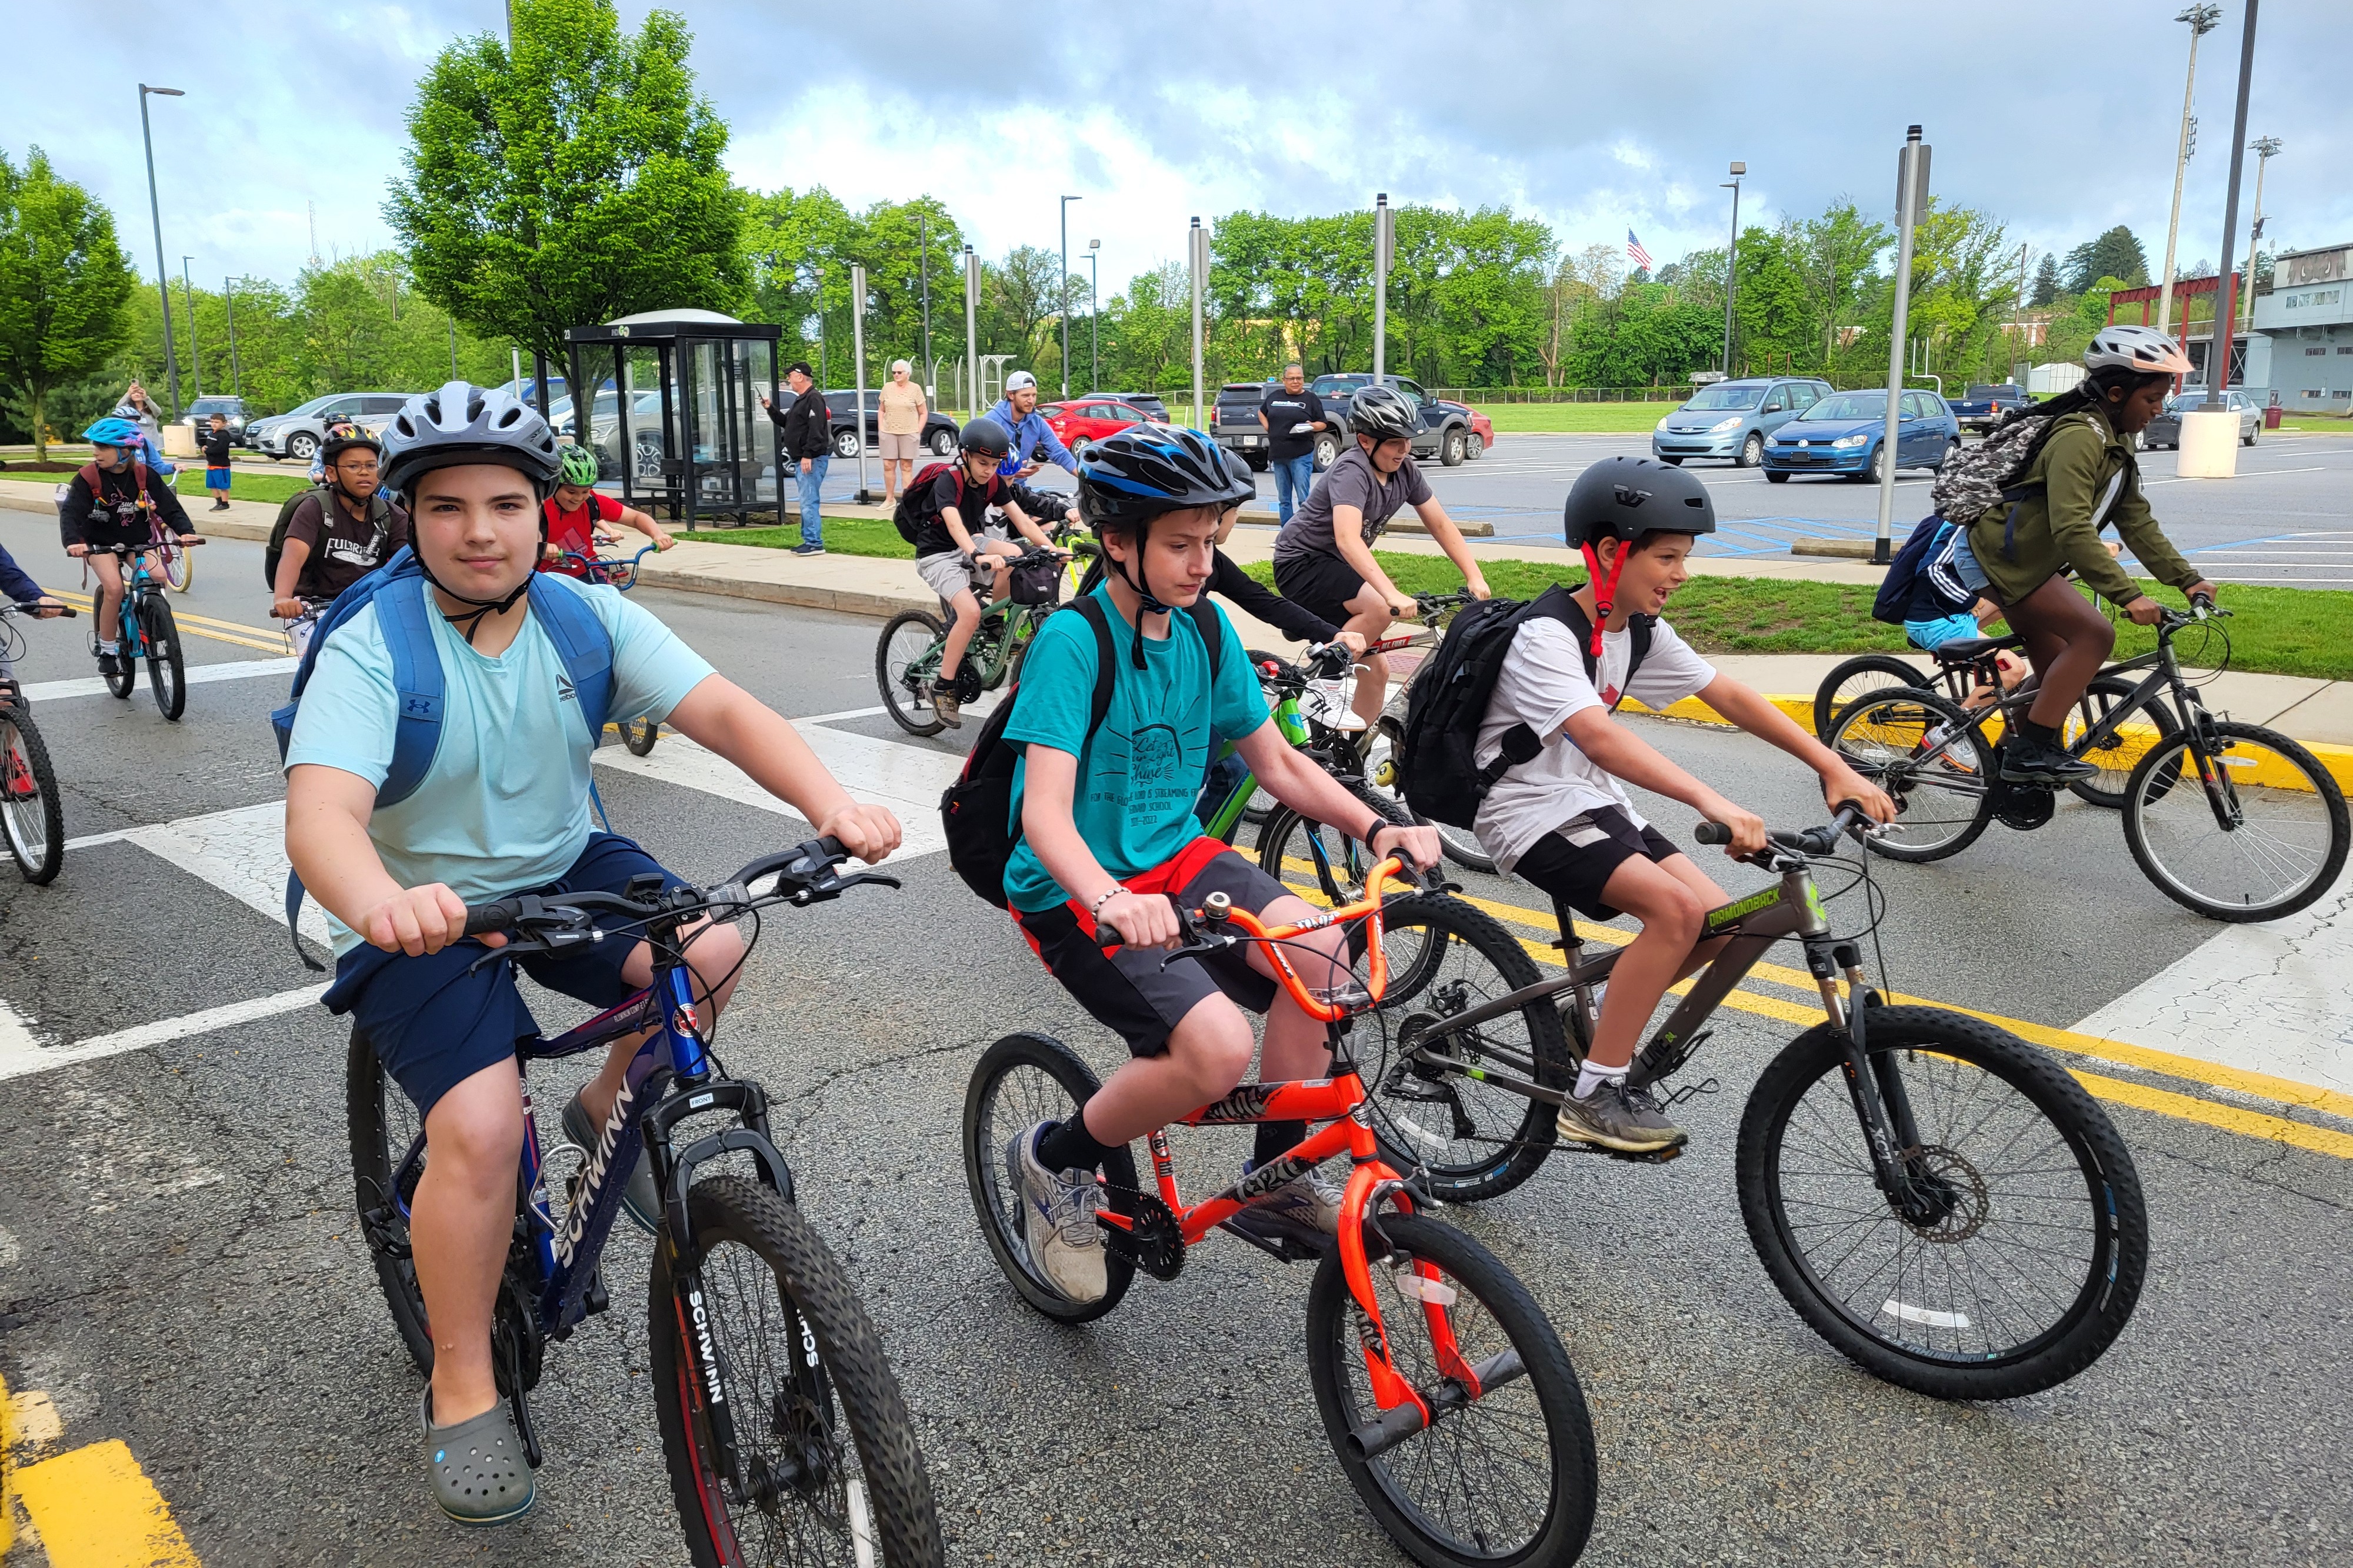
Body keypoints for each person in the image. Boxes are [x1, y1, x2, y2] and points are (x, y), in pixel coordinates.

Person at [282, 381, 903, 1526]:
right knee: (477, 1129)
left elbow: (725, 711)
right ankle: (462, 1378)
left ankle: (606, 1105)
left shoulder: (582, 616)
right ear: (411, 516)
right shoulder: (372, 646)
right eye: (449, 506)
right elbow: (321, 816)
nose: (480, 530)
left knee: (712, 944)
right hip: (416, 903)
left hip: (561, 862)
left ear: (542, 510)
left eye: (506, 504)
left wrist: (832, 804)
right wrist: (381, 901)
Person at [996, 423, 1442, 1302]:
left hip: (1176, 854)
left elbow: (1277, 763)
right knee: (1215, 1051)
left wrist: (1378, 825)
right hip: (1073, 883)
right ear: (1116, 541)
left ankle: (1276, 1179)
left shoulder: (1203, 629)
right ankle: (1054, 1158)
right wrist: (1109, 898)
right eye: (1180, 544)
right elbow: (1044, 814)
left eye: (1211, 540)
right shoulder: (1073, 643)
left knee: (1324, 955)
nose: (1203, 563)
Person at [1472, 456, 1894, 1155]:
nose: (1681, 573)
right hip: (1524, 807)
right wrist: (1709, 798)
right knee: (1675, 911)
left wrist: (1832, 765)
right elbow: (1598, 737)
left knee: (1722, 922)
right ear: (1611, 551)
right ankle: (1595, 1094)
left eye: (1684, 557)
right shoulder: (1546, 635)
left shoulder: (1635, 628)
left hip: (1587, 800)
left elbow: (1728, 694)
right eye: (1667, 557)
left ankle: (1597, 1021)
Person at [1957, 325, 2217, 783]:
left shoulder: (2116, 439)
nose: (2159, 409)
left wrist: (2187, 578)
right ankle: (2030, 752)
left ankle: (2004, 769)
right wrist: (2128, 596)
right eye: (2152, 399)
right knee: (2095, 635)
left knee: (2058, 666)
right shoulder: (2080, 438)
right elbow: (2073, 527)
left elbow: (2135, 519)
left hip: (2030, 558)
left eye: (2162, 399)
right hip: (2000, 557)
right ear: (2116, 394)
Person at [1271, 383, 1491, 732]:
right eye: (1394, 442)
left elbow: (1440, 524)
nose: (1404, 450)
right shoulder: (1351, 471)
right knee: (1378, 608)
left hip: (1338, 570)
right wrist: (1391, 595)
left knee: (1378, 670)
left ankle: (1346, 749)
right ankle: (1324, 686)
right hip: (1301, 563)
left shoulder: (1406, 471)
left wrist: (1474, 575)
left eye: (1408, 441)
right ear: (1365, 440)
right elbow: (1347, 540)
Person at [906, 419, 1066, 729]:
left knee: (1016, 555)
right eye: (983, 463)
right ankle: (943, 686)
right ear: (965, 455)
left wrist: (1051, 549)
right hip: (938, 554)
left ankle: (995, 624)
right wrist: (976, 554)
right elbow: (954, 524)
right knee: (969, 612)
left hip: (971, 543)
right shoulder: (948, 481)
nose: (989, 471)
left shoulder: (993, 483)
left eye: (994, 465)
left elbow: (1022, 521)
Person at [59, 416, 204, 676]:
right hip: (100, 544)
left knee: (158, 576)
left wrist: (186, 532)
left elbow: (169, 506)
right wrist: (73, 543)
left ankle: (156, 621)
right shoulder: (88, 477)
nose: (96, 452)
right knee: (114, 588)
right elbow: (71, 513)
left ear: (125, 451)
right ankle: (107, 649)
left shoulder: (143, 474)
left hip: (137, 540)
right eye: (96, 446)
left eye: (103, 447)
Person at [271, 427, 410, 653]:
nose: (364, 472)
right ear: (332, 473)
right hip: (313, 608)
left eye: (371, 466)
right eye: (353, 466)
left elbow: (408, 566)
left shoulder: (391, 515)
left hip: (367, 605)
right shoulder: (315, 509)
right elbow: (292, 557)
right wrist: (284, 598)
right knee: (322, 666)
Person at [539, 445, 674, 576]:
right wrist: (541, 547)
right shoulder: (539, 507)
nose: (579, 498)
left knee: (611, 592)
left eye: (585, 491)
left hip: (587, 570)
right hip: (548, 577)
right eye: (571, 492)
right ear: (554, 486)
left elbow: (636, 517)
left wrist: (658, 535)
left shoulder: (592, 502)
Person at [760, 362, 831, 557]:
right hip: (802, 458)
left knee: (809, 501)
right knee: (806, 500)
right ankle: (810, 540)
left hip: (811, 459)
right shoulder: (801, 400)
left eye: (790, 375)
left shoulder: (813, 398)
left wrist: (808, 454)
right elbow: (788, 423)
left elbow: (817, 430)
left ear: (800, 376)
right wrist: (770, 408)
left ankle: (814, 543)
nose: (788, 379)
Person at [1257, 363, 1328, 527]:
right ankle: (1286, 532)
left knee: (1303, 498)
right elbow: (1261, 412)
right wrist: (1267, 426)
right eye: (1292, 378)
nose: (1296, 382)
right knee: (1284, 500)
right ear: (1284, 380)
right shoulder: (1275, 397)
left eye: (1299, 378)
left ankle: (1305, 532)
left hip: (1301, 455)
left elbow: (1323, 424)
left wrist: (1312, 426)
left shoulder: (1311, 399)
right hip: (1278, 455)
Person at [986, 370, 1078, 482]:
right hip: (990, 487)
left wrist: (1085, 477)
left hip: (1019, 487)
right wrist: (1007, 472)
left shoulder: (1036, 422)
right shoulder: (990, 422)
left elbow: (1059, 452)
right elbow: (978, 463)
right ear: (1011, 395)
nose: (1031, 401)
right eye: (1025, 396)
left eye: (1034, 395)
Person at [877, 359, 928, 504]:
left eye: (899, 372)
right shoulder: (887, 388)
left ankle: (906, 501)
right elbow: (881, 410)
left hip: (909, 432)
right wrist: (881, 428)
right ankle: (889, 499)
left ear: (908, 374)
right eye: (894, 372)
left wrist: (918, 431)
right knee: (888, 465)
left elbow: (923, 412)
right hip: (889, 431)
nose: (896, 375)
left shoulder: (915, 389)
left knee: (906, 466)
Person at [201, 413, 235, 511]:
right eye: (212, 422)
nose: (214, 424)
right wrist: (203, 448)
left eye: (217, 422)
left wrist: (207, 451)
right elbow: (208, 446)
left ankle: (225, 503)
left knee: (223, 486)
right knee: (211, 485)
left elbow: (220, 449)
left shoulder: (224, 435)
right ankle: (219, 502)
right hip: (211, 465)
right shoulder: (212, 434)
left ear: (224, 423)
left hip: (221, 465)